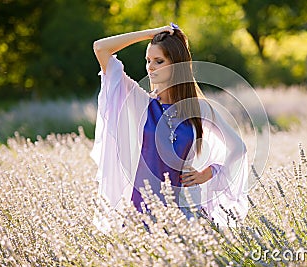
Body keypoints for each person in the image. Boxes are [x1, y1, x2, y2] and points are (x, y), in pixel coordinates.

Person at [91, 24, 248, 229]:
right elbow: (101, 48)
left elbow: (238, 147)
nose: (150, 67)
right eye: (148, 61)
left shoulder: (198, 107)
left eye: (159, 61)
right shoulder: (140, 102)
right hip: (141, 209)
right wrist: (150, 34)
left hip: (185, 209)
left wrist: (208, 173)